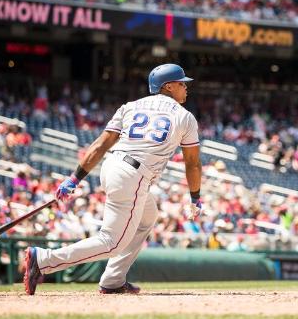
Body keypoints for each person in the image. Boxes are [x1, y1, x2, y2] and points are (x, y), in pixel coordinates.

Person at [24, 64, 203, 295]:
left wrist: (74, 178)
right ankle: (44, 260)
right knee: (112, 242)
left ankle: (113, 279)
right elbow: (192, 163)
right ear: (168, 86)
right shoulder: (184, 117)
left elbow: (101, 145)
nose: (186, 88)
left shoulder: (130, 106)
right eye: (181, 83)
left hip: (112, 167)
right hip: (134, 175)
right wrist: (195, 197)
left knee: (148, 216)